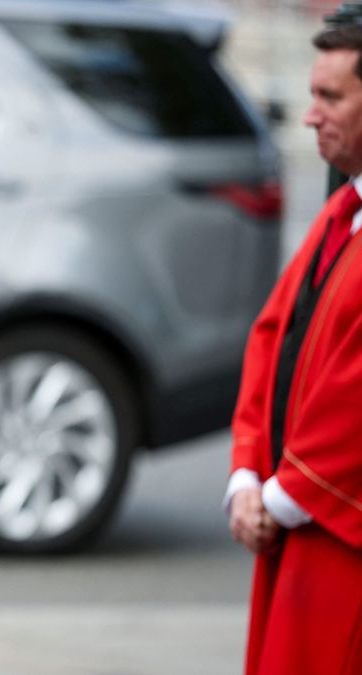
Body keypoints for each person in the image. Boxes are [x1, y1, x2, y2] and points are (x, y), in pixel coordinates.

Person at [226, 22, 362, 675]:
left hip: (338, 532)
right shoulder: (341, 214)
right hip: (294, 516)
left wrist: (278, 498)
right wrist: (246, 476)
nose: (310, 116)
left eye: (331, 97)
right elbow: (271, 337)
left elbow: (354, 400)